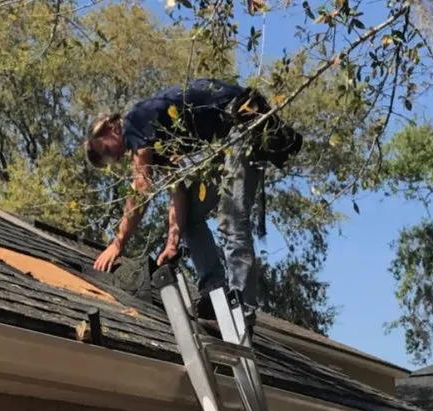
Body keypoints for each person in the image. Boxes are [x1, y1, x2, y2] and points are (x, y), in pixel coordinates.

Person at [83, 77, 300, 325]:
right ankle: (214, 291)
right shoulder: (157, 135)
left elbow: (141, 187)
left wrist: (118, 243)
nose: (117, 156)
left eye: (108, 151)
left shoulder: (135, 120)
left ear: (111, 128)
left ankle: (243, 313)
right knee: (192, 221)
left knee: (232, 221)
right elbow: (178, 189)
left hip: (243, 128)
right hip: (228, 140)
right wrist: (172, 242)